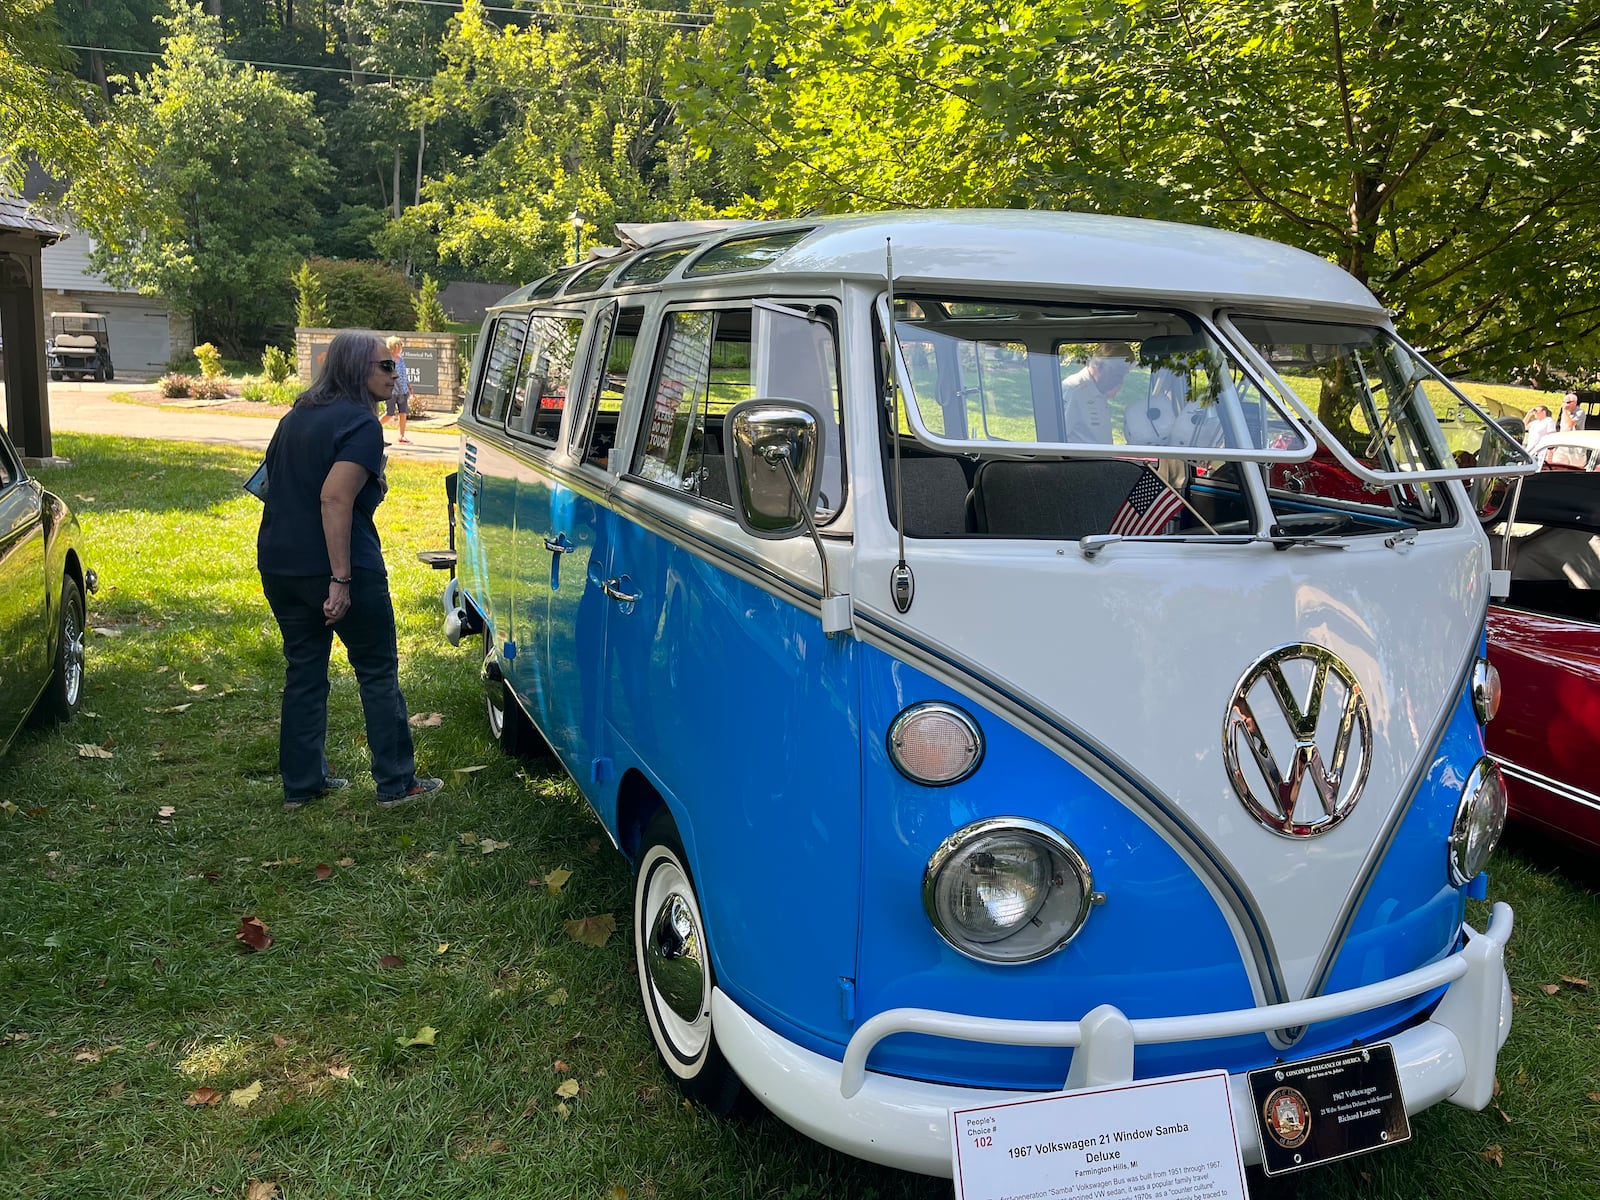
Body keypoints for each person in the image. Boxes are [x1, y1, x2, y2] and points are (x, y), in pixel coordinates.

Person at [256, 329, 443, 812]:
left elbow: (268, 486)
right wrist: (340, 579)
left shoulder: (295, 416)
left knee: (304, 672)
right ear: (356, 368)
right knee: (377, 670)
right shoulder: (362, 425)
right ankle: (397, 784)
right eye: (384, 366)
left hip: (280, 564)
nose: (394, 373)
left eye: (393, 366)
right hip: (341, 568)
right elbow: (334, 498)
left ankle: (302, 785)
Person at [1060, 341, 1134, 443]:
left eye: (1123, 375)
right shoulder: (1073, 390)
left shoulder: (1097, 390)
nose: (1120, 381)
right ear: (1099, 365)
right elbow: (1055, 441)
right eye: (1117, 374)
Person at [378, 335, 412, 443]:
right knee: (390, 413)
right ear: (392, 347)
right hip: (392, 391)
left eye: (400, 345)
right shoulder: (388, 360)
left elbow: (404, 374)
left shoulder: (401, 359)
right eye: (397, 345)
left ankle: (402, 436)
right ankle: (373, 427)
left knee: (403, 412)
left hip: (403, 390)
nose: (399, 347)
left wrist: (409, 386)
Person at [1550, 392, 1588, 469]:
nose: (1565, 405)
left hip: (1575, 446)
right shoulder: (1565, 413)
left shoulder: (1580, 412)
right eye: (1564, 402)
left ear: (1575, 403)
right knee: (1557, 464)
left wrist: (1565, 412)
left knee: (1575, 467)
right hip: (1563, 445)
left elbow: (1571, 423)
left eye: (1568, 402)